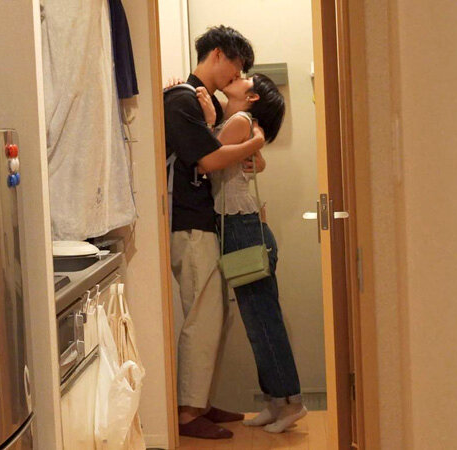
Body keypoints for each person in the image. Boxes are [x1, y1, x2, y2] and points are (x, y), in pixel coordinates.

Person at [163, 25, 266, 440]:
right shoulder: (182, 99)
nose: (236, 76)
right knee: (203, 316)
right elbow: (208, 160)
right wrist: (255, 141)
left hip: (199, 220)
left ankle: (199, 402)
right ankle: (188, 412)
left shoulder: (199, 103)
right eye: (236, 66)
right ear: (219, 54)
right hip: (187, 222)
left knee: (213, 314)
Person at [198, 73, 308, 433]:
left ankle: (292, 403)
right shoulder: (241, 123)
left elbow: (205, 159)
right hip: (242, 228)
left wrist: (211, 123)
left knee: (264, 322)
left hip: (243, 228)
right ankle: (276, 403)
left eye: (246, 78)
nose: (238, 77)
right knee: (258, 323)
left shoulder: (241, 121)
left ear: (253, 97)